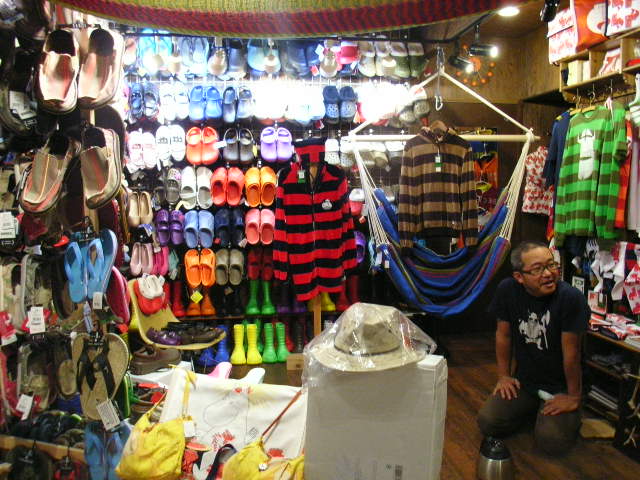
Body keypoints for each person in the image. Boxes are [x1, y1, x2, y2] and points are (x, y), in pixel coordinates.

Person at [477, 241, 589, 455]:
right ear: (519, 277)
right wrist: (504, 376)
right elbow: (503, 335)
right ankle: (533, 409)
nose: (548, 274)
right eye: (538, 269)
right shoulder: (508, 290)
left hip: (560, 387)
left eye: (551, 265)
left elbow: (572, 354)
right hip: (525, 382)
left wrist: (573, 396)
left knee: (551, 442)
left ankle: (556, 414)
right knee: (488, 422)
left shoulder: (570, 298)